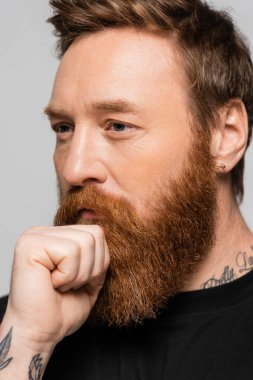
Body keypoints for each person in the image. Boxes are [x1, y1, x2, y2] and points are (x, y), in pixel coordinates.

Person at [0, 0, 253, 379]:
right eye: (64, 128)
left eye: (117, 126)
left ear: (225, 137)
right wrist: (27, 343)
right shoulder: (20, 325)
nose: (75, 168)